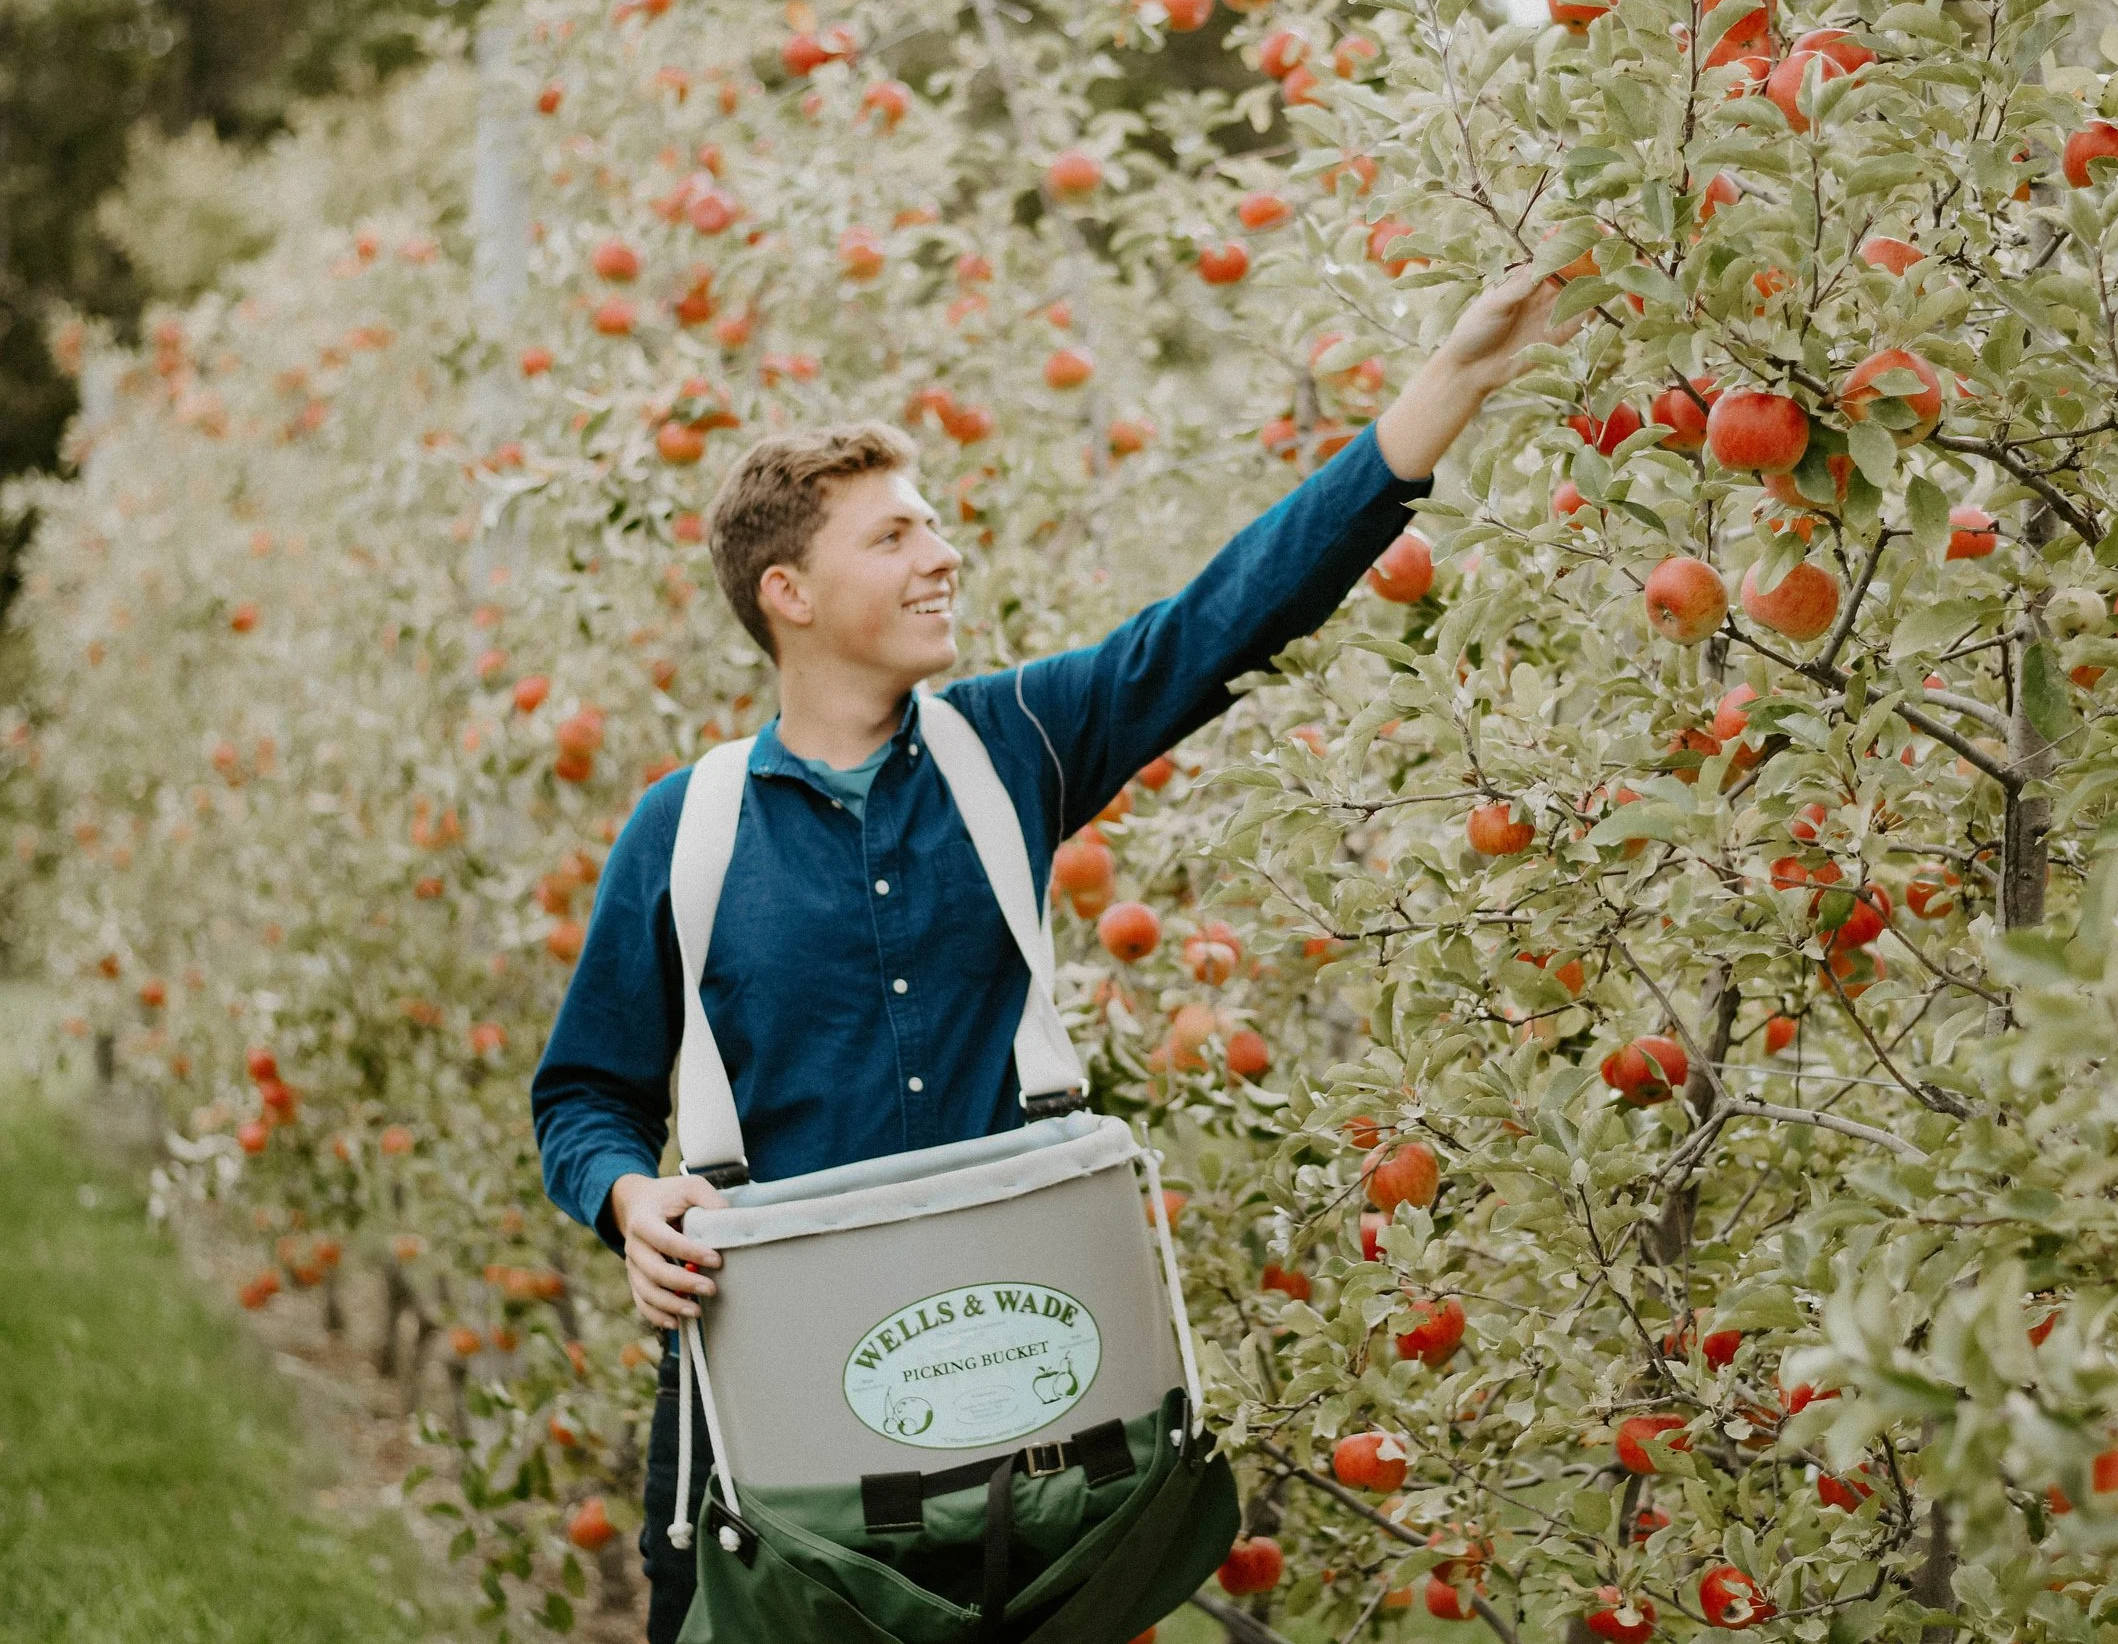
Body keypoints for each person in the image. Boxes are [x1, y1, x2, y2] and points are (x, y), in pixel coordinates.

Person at [529, 258, 1589, 1644]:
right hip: (770, 1418)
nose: (939, 554)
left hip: (1013, 1392)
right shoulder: (689, 828)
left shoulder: (1012, 744)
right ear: (786, 589)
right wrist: (626, 1199)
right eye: (895, 536)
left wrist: (1449, 380)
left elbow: (1230, 614)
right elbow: (582, 1096)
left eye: (934, 526)